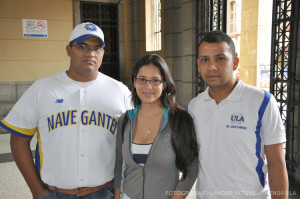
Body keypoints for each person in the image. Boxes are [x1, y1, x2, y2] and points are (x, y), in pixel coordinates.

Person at [0, 22, 132, 199]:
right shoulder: (42, 88)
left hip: (105, 192)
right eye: (82, 46)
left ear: (103, 53)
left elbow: (133, 143)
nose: (90, 53)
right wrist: (38, 192)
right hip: (55, 193)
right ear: (68, 50)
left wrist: (120, 191)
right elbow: (18, 141)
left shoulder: (120, 91)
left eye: (97, 48)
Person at [187, 30, 288, 199]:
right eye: (205, 60)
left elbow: (276, 163)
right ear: (198, 65)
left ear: (234, 62)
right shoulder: (193, 107)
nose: (212, 66)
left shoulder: (262, 101)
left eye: (220, 58)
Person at [114, 54, 198, 199]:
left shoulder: (179, 120)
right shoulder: (125, 120)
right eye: (142, 80)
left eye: (155, 80)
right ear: (134, 82)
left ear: (164, 84)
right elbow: (118, 165)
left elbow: (191, 169)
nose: (148, 86)